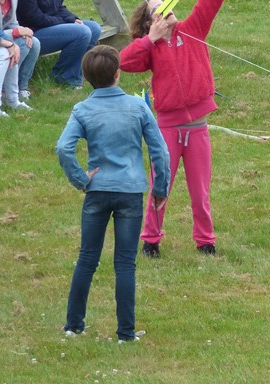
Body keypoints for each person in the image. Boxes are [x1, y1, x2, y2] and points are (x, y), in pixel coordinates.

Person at [120, 0, 242, 259]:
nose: (167, 10)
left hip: (198, 128)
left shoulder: (193, 29)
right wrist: (151, 39)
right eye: (158, 10)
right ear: (150, 23)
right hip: (167, 130)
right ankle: (151, 240)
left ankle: (205, 241)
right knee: (160, 186)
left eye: (168, 5)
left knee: (200, 192)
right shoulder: (150, 47)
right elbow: (124, 62)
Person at [56, 45, 170, 342]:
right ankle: (125, 333)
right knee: (125, 263)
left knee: (87, 258)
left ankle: (73, 326)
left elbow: (63, 148)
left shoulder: (82, 110)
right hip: (130, 192)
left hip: (96, 190)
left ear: (86, 77)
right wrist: (160, 188)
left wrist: (80, 179)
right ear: (118, 73)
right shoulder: (138, 107)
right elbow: (160, 151)